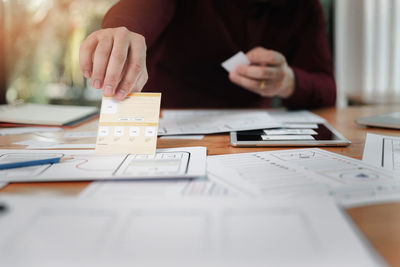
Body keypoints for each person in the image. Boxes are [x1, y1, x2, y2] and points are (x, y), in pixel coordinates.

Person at [79, 0, 336, 109]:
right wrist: (122, 30)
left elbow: (327, 89)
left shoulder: (304, 7)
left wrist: (289, 81)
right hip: (167, 124)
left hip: (251, 133)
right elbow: (142, 7)